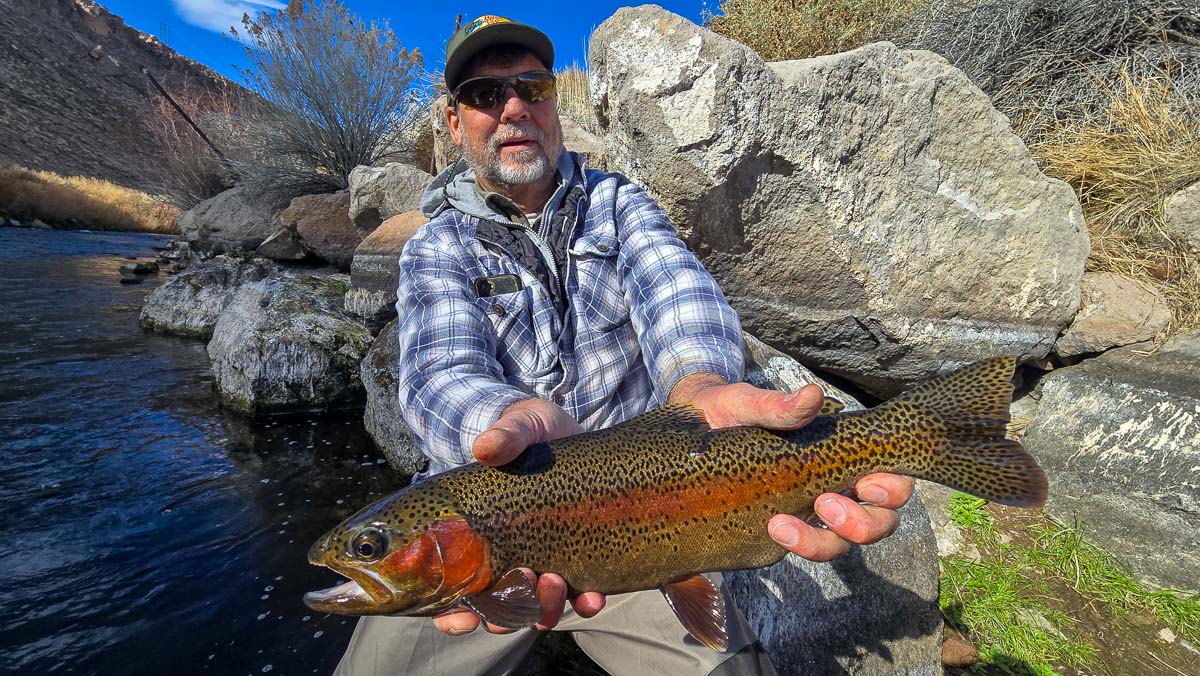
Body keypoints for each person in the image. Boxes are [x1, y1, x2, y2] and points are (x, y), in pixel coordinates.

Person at [334, 15, 914, 676]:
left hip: (658, 519)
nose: (514, 106)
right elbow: (441, 371)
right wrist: (498, 422)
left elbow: (677, 294)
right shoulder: (436, 248)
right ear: (453, 120)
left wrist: (699, 385)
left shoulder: (620, 205)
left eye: (532, 85)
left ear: (553, 102)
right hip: (491, 548)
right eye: (485, 95)